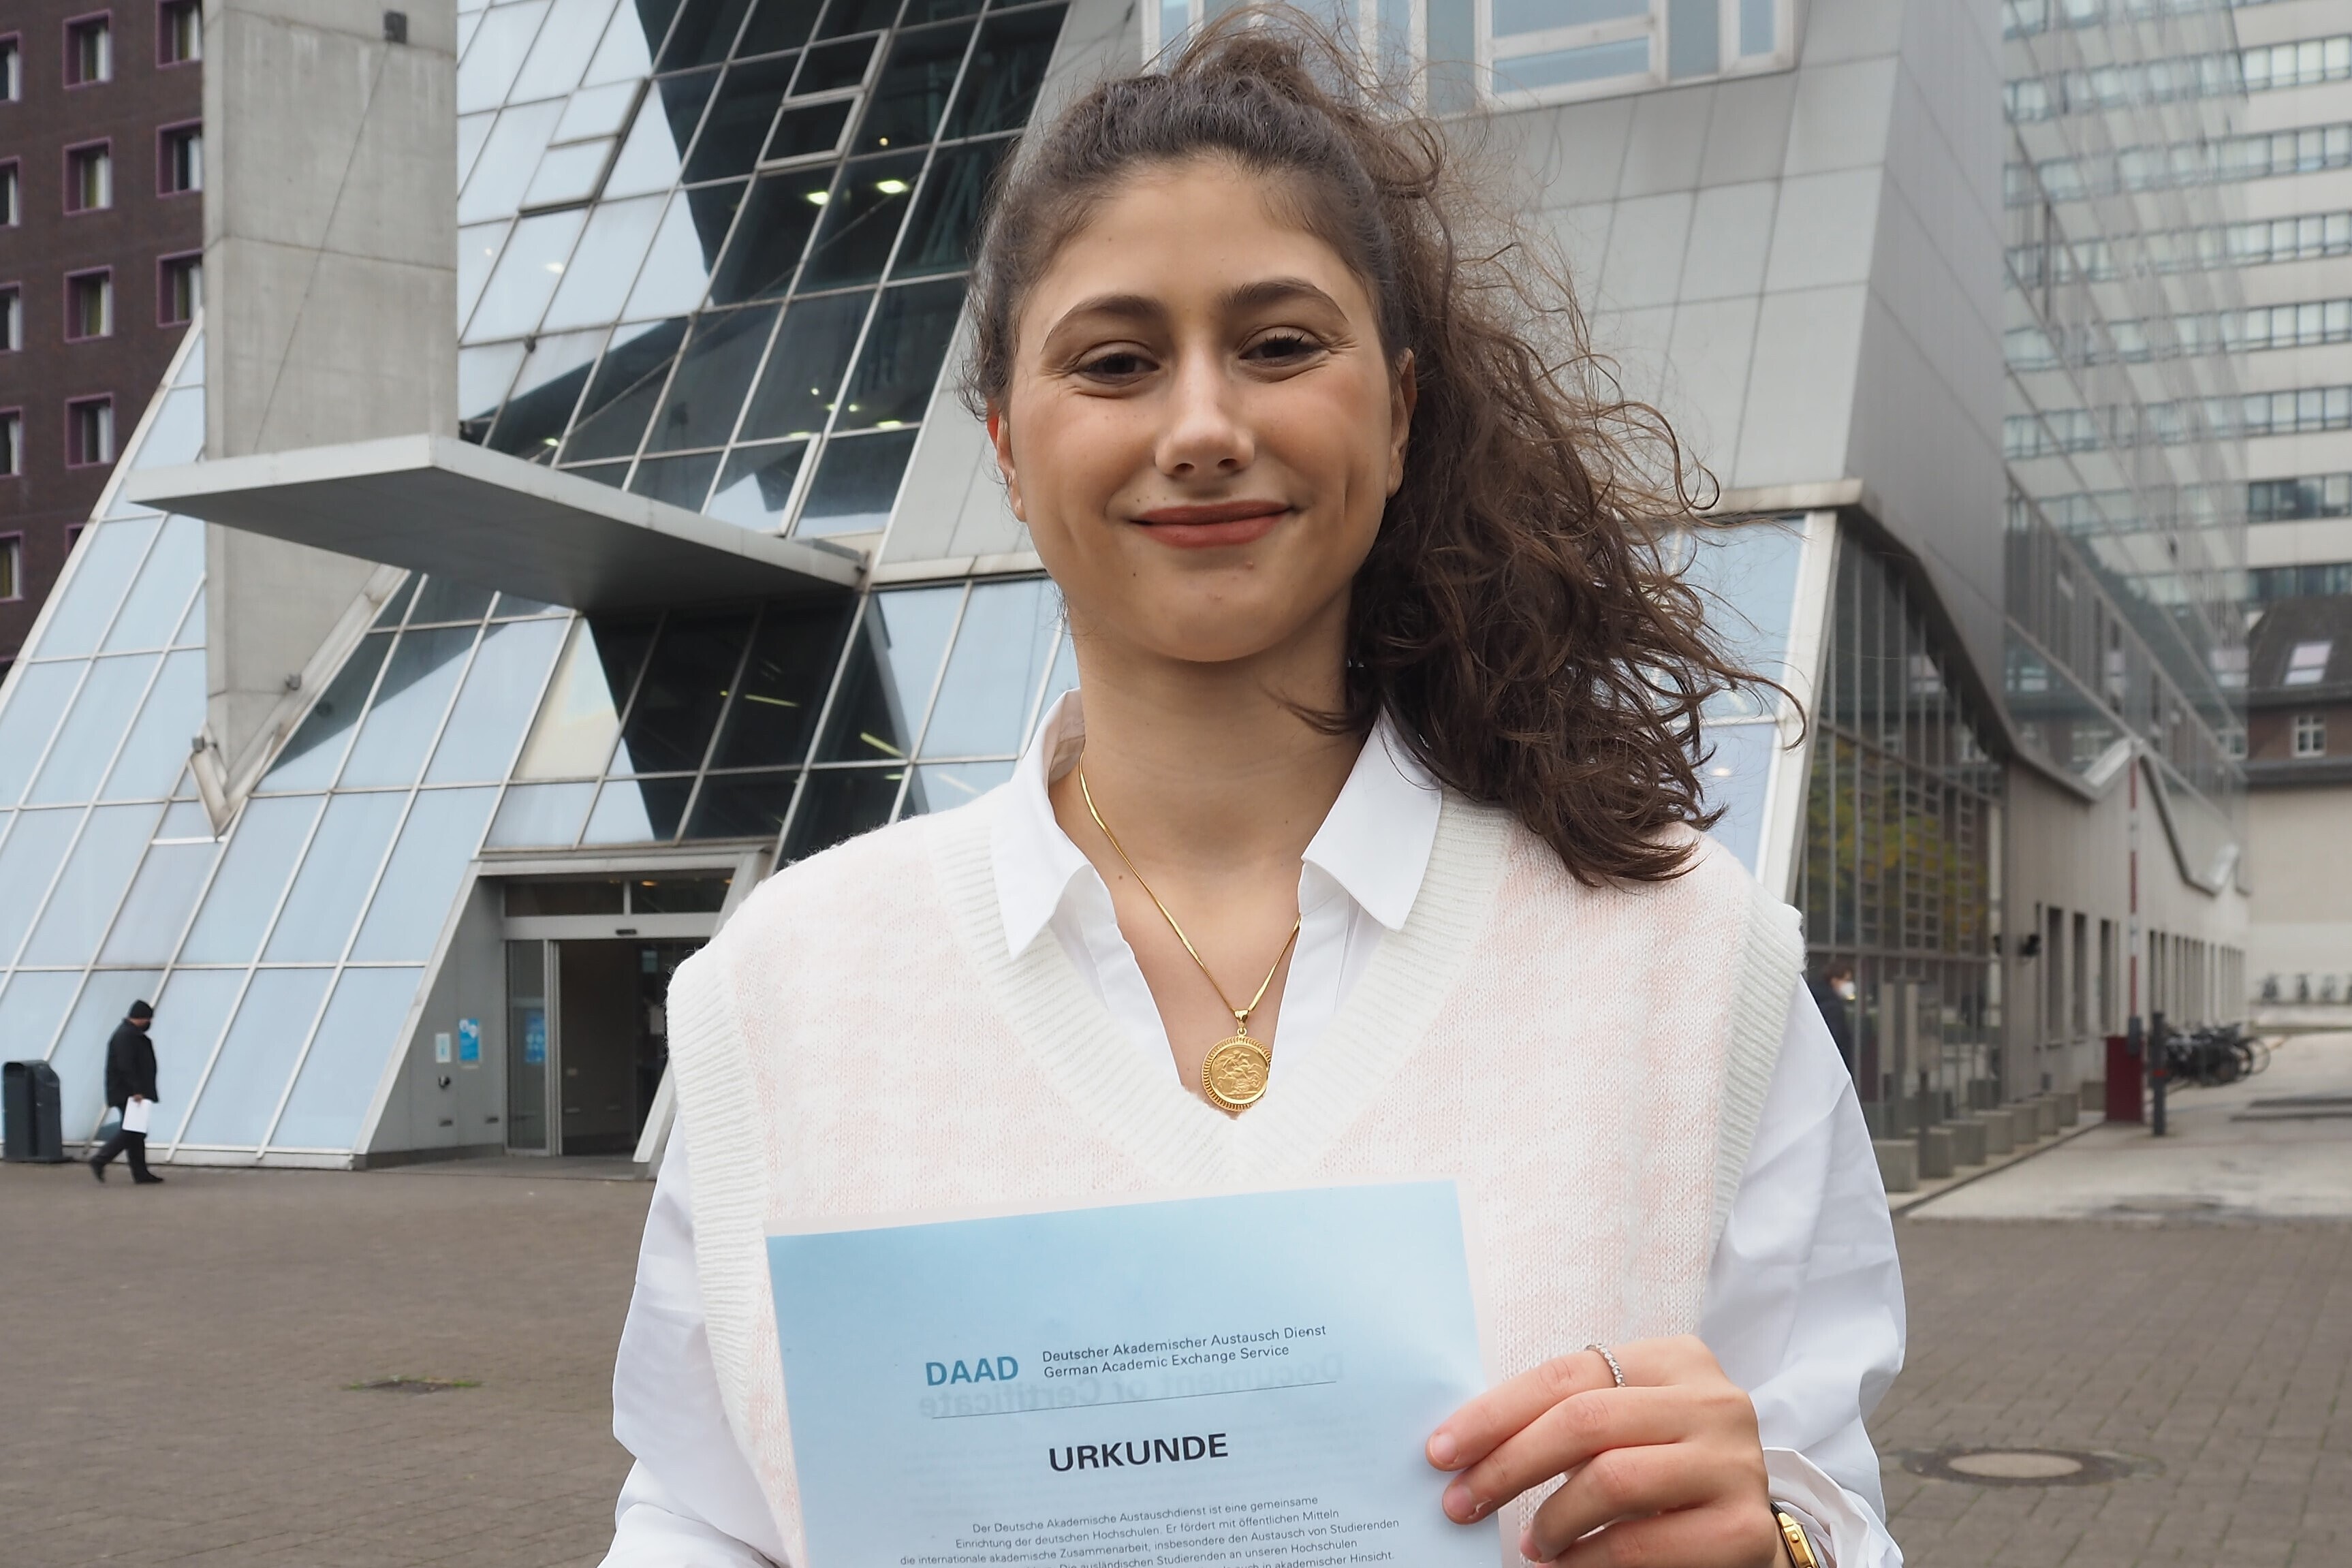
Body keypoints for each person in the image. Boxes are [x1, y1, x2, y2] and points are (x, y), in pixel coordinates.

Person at [602, 18, 1903, 1568]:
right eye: (1116, 360)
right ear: (1011, 446)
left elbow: (1830, 1506)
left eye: (1280, 344)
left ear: (1399, 411)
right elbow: (698, 1513)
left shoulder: (1688, 963)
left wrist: (1773, 1548)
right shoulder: (784, 989)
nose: (1204, 426)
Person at [90, 1001, 163, 1185]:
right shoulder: (126, 1036)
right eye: (148, 1018)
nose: (150, 1022)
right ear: (142, 1018)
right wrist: (137, 1090)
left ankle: (140, 1173)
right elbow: (126, 1066)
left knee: (137, 1132)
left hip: (130, 1091)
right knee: (131, 1131)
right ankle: (100, 1159)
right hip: (129, 1093)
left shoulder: (129, 1034)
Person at [1808, 960, 1857, 1073]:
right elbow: (1834, 1042)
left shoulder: (1814, 1001)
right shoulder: (1833, 1008)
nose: (1850, 985)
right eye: (1847, 980)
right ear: (1834, 981)